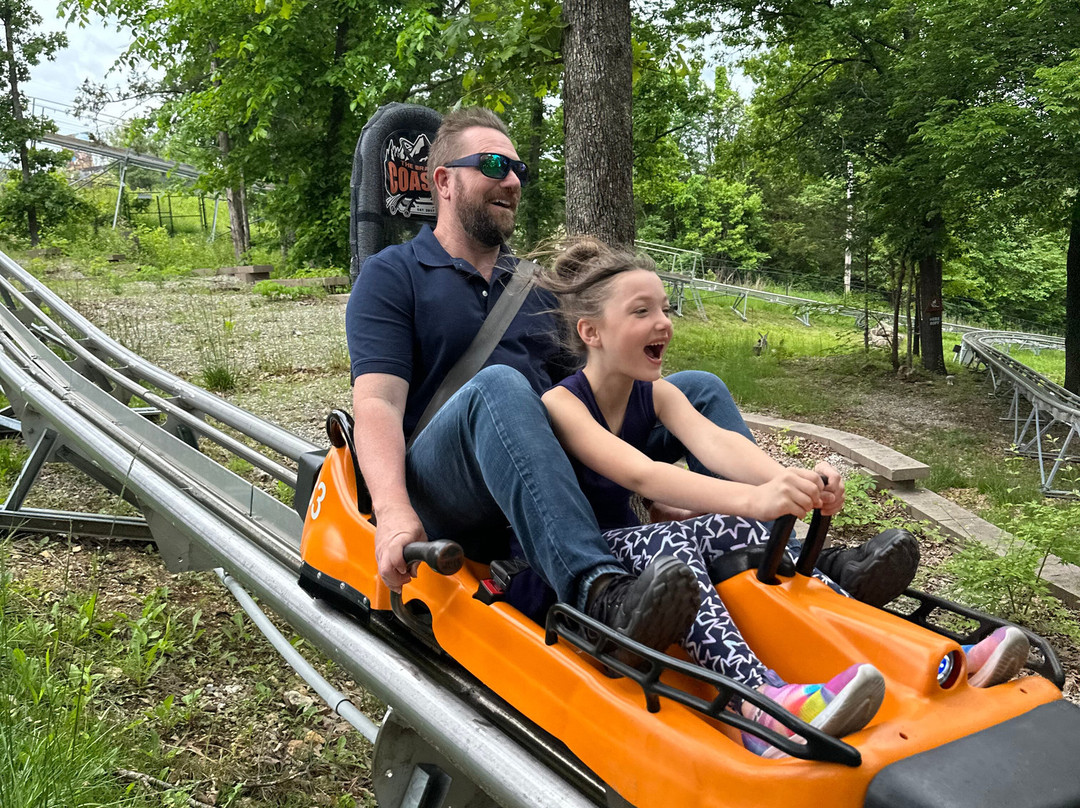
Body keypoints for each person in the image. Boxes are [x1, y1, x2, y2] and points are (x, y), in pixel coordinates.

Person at [345, 106, 918, 659]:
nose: (512, 180)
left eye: (519, 169)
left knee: (696, 387)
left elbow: (588, 395)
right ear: (443, 181)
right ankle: (600, 592)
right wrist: (394, 512)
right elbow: (377, 402)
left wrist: (660, 491)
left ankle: (789, 550)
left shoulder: (536, 288)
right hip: (450, 483)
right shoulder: (393, 275)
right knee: (501, 387)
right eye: (494, 166)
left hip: (537, 465)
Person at [538, 239, 1031, 756]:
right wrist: (754, 500)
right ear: (590, 332)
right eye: (641, 311)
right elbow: (643, 475)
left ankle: (916, 653)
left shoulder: (657, 392)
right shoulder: (562, 403)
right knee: (690, 541)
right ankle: (754, 701)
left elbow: (718, 443)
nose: (663, 321)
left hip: (635, 539)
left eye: (665, 307)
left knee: (747, 530)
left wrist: (792, 483)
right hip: (594, 557)